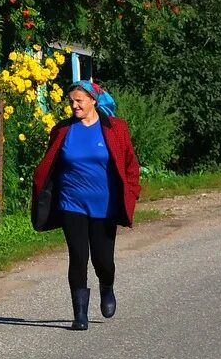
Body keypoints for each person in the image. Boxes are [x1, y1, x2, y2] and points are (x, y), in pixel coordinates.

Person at [31, 82, 141, 331]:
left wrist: (132, 192)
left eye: (79, 100)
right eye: (71, 101)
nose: (74, 105)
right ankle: (79, 313)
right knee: (78, 257)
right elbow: (49, 164)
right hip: (72, 203)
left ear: (93, 101)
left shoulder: (115, 129)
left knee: (103, 260)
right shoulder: (62, 130)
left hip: (105, 205)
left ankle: (107, 286)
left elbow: (130, 165)